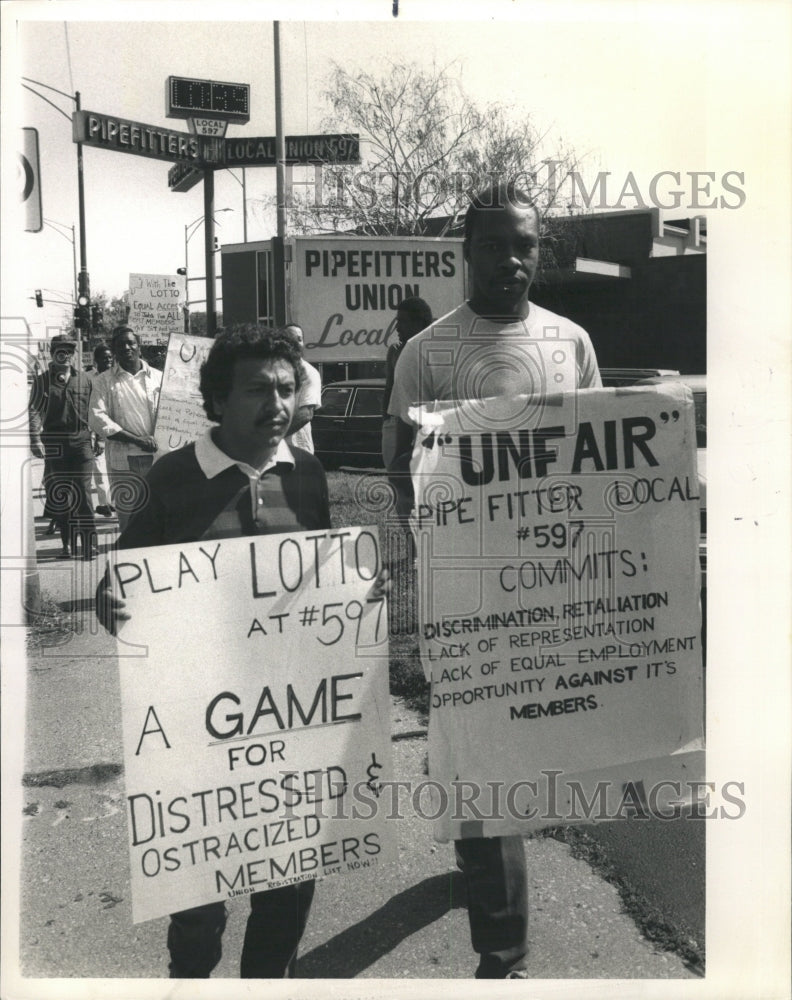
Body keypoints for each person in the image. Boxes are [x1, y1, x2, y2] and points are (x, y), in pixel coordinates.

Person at [96, 324, 388, 978]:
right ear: (217, 399)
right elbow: (124, 575)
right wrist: (110, 601)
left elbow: (320, 581)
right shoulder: (172, 477)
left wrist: (360, 592)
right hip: (197, 729)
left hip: (291, 725)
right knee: (199, 908)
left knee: (288, 891)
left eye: (287, 389)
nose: (277, 404)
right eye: (258, 389)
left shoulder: (307, 474)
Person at [388, 180, 602, 979]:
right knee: (479, 751)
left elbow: (596, 461)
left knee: (520, 747)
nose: (512, 260)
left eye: (525, 244)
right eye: (493, 245)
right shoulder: (427, 353)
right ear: (466, 253)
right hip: (464, 591)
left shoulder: (570, 343)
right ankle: (502, 953)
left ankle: (481, 867)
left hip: (548, 586)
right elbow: (401, 471)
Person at [29, 335, 98, 560]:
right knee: (61, 498)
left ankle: (89, 545)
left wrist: (100, 438)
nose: (65, 354)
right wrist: (35, 439)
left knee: (84, 496)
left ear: (73, 354)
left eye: (69, 350)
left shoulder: (85, 380)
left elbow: (95, 411)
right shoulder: (41, 381)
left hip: (81, 444)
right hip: (55, 445)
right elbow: (35, 411)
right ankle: (67, 546)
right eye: (60, 350)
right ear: (53, 353)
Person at [89, 326, 162, 531]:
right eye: (121, 345)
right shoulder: (103, 381)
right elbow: (97, 417)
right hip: (123, 461)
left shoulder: (158, 377)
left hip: (156, 458)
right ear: (114, 351)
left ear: (139, 346)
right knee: (128, 520)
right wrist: (137, 440)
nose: (127, 348)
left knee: (156, 516)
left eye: (131, 343)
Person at [283, 323, 322, 454]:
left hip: (297, 449)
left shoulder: (310, 373)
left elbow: (306, 414)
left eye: (299, 339)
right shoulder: (272, 370)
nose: (295, 343)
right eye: (290, 339)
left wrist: (274, 437)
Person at [87, 343, 115, 518]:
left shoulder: (116, 376)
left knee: (112, 468)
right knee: (99, 467)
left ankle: (111, 502)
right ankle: (104, 504)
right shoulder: (88, 377)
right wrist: (98, 437)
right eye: (104, 358)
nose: (108, 361)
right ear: (96, 360)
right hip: (94, 427)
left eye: (110, 357)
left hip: (117, 427)